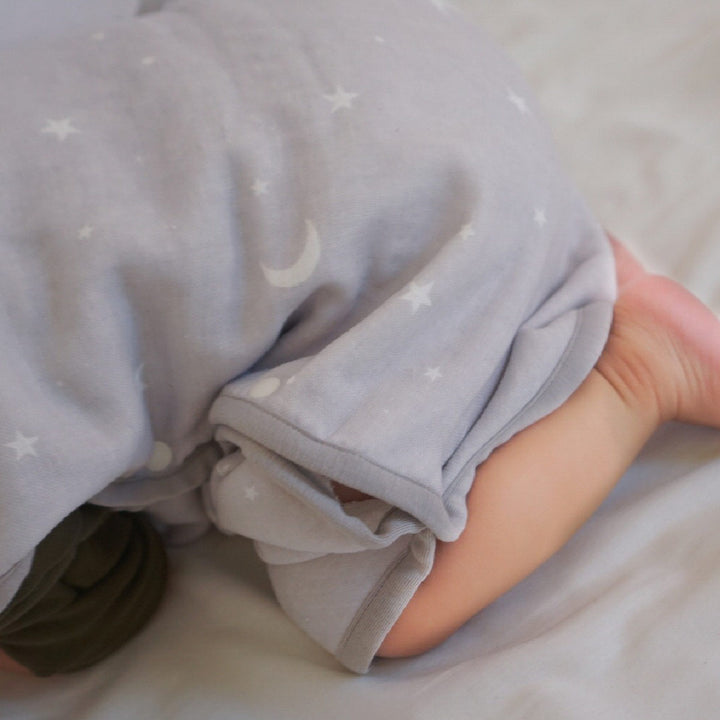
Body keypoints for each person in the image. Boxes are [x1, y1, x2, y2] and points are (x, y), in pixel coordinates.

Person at [1, 0, 719, 677]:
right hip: (351, 38)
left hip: (400, 229)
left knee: (390, 614)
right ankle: (554, 234)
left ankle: (637, 376)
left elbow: (105, 594)